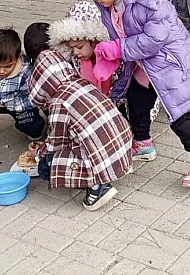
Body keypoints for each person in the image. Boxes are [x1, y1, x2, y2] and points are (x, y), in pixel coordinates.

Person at [83, 0, 190, 188]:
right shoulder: (110, 4)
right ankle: (143, 144)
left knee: (178, 114)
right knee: (136, 101)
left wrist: (118, 49)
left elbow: (154, 39)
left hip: (169, 64)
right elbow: (122, 32)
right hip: (143, 66)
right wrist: (113, 56)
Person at [29, 50, 132, 210]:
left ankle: (97, 187)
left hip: (105, 156)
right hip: (124, 147)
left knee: (47, 165)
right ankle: (112, 170)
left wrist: (38, 153)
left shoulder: (58, 101)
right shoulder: (83, 83)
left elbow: (56, 143)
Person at [48, 1, 115, 94]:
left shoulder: (113, 59)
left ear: (94, 40)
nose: (75, 52)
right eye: (71, 48)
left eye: (79, 47)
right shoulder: (74, 62)